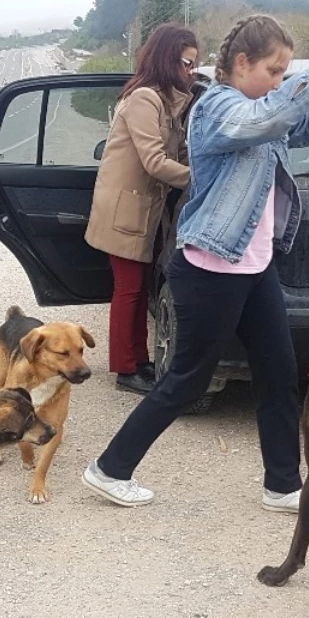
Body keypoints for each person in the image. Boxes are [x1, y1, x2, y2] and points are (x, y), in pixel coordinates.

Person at [81, 16, 309, 514]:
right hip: (209, 267)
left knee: (279, 373)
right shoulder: (219, 109)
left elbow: (302, 124)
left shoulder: (260, 109)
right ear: (241, 63)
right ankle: (110, 468)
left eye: (286, 72)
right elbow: (270, 117)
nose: (279, 80)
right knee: (187, 380)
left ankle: (283, 484)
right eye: (274, 70)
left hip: (253, 266)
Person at [84, 24, 199, 396]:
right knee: (129, 290)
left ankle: (139, 360)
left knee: (136, 288)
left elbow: (178, 151)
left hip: (142, 210)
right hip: (125, 210)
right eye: (186, 64)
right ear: (168, 59)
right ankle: (125, 368)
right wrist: (202, 180)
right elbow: (155, 161)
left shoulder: (167, 101)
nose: (191, 72)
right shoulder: (144, 99)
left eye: (195, 65)